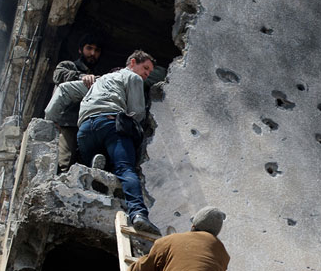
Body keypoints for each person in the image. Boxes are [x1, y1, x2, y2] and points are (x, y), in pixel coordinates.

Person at [76, 50, 160, 235]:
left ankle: (99, 164)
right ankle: (138, 214)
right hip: (109, 123)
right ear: (132, 62)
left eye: (149, 72)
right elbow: (137, 113)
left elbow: (71, 93)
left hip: (84, 129)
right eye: (145, 68)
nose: (147, 74)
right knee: (125, 169)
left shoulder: (100, 79)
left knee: (102, 164)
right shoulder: (133, 78)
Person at [50, 33, 102, 173]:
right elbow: (58, 75)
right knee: (64, 163)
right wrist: (82, 77)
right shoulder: (69, 65)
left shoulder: (98, 75)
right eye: (89, 48)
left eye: (96, 50)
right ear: (80, 50)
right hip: (67, 123)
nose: (92, 53)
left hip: (86, 125)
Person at [128, 206, 230, 271]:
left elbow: (143, 267)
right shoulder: (223, 255)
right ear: (215, 234)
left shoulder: (170, 241)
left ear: (193, 226)